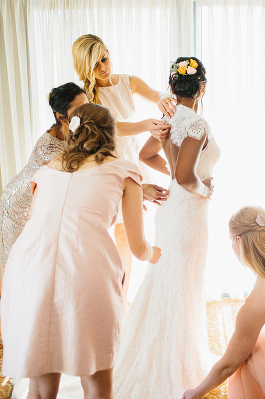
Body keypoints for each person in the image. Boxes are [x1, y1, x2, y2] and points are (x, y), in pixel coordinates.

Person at [0, 103, 160, 399]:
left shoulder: (47, 170)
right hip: (85, 266)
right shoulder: (125, 170)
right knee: (97, 383)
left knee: (40, 387)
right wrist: (155, 253)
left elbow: (40, 222)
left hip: (28, 268)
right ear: (111, 134)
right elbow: (138, 247)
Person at [113, 57, 221, 398]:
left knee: (166, 281)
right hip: (188, 213)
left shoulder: (168, 117)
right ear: (202, 87)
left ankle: (150, 353)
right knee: (183, 282)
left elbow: (147, 157)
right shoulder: (197, 124)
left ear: (172, 88)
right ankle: (175, 363)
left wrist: (176, 178)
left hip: (172, 210)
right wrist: (206, 189)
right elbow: (187, 177)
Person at [72, 34, 172, 300]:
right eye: (95, 64)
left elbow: (153, 93)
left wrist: (162, 98)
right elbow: (112, 127)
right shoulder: (86, 97)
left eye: (104, 58)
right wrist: (144, 125)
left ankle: (122, 298)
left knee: (127, 233)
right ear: (85, 68)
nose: (103, 67)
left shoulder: (128, 81)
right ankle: (108, 293)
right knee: (110, 232)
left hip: (132, 157)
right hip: (107, 161)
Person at [182, 206, 265, 399]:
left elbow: (228, 365)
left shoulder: (256, 304)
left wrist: (196, 392)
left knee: (248, 351)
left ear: (238, 241)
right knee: (260, 337)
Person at [1, 83, 88, 286]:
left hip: (40, 202)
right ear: (61, 117)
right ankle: (7, 314)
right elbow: (81, 173)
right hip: (16, 205)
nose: (87, 113)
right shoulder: (47, 148)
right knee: (15, 266)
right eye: (79, 109)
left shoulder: (77, 131)